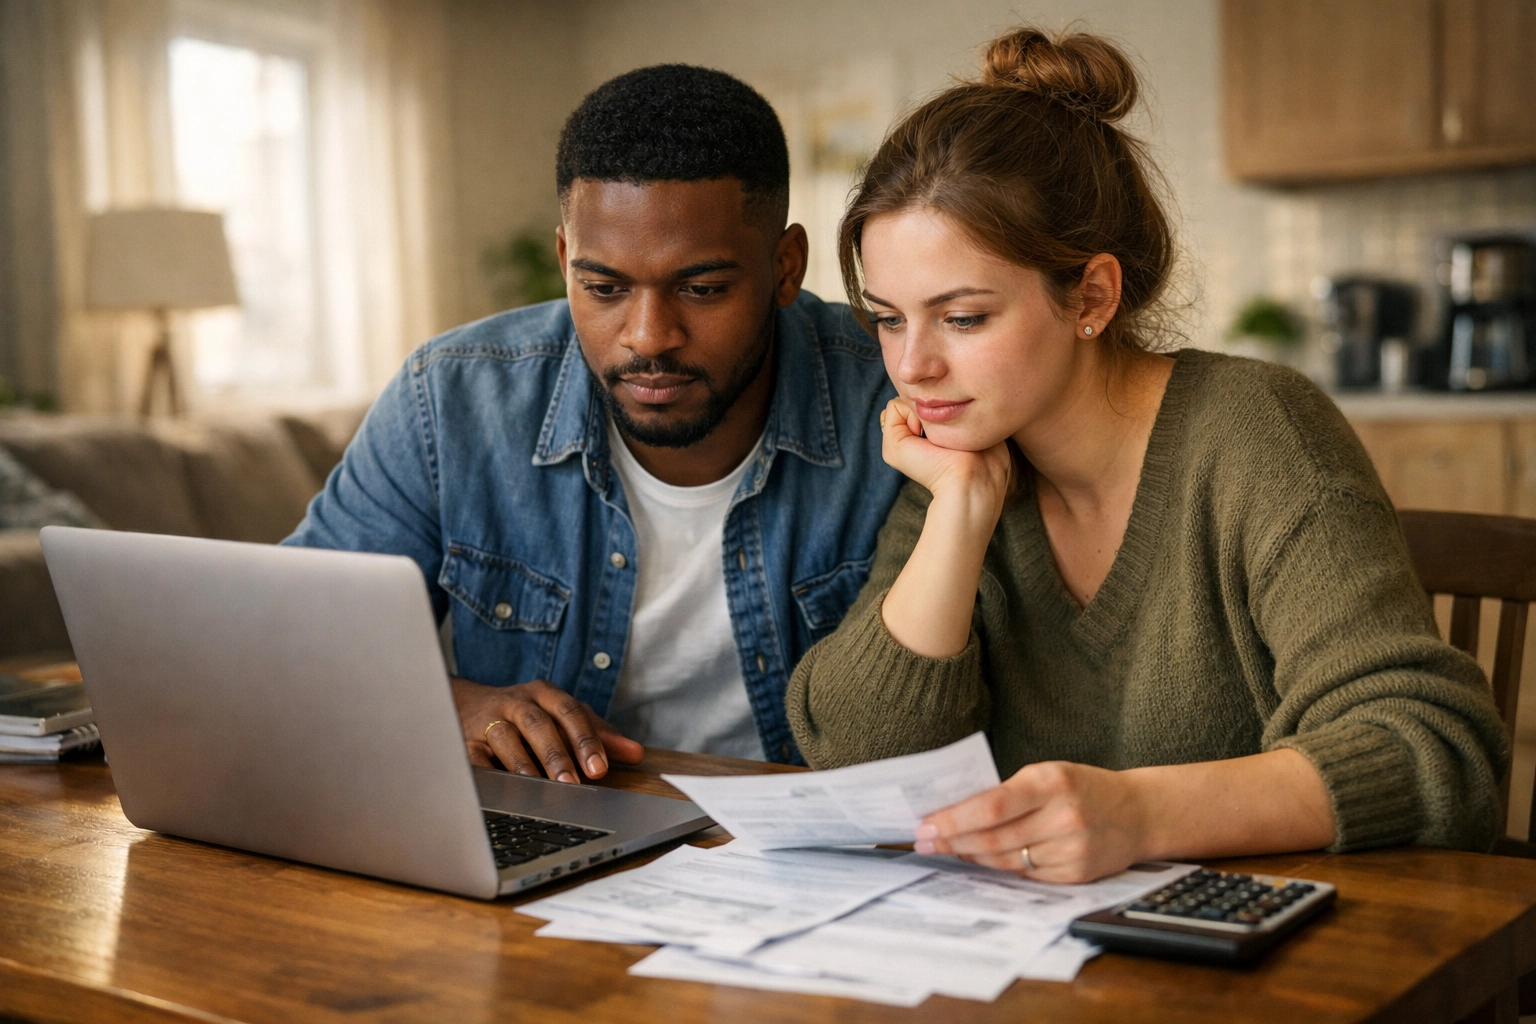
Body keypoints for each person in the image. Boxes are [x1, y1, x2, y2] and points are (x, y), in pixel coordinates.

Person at [787, 27, 1508, 883]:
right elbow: (857, 766)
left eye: (964, 317)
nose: (913, 365)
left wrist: (1140, 814)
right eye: (889, 318)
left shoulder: (1254, 432)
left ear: (1091, 295)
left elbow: (1432, 746)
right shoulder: (962, 455)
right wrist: (958, 515)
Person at [287, 65, 901, 780]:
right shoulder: (451, 402)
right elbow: (301, 644)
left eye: (701, 289)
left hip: (815, 851)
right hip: (561, 832)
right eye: (604, 287)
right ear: (563, 262)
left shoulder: (890, 399)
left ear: (786, 265)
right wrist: (453, 703)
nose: (647, 336)